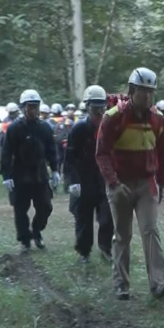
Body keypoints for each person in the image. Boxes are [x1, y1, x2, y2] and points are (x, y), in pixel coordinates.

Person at [95, 67, 164, 300]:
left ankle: (158, 283)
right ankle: (121, 284)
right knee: (122, 234)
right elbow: (102, 153)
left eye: (151, 93)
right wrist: (114, 183)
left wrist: (162, 184)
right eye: (143, 92)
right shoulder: (113, 118)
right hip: (121, 184)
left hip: (146, 183)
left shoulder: (158, 120)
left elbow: (162, 153)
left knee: (150, 231)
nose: (148, 97)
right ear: (131, 91)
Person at [0, 89, 58, 250]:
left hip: (40, 175)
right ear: (23, 108)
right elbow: (6, 153)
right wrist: (6, 176)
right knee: (20, 210)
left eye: (36, 106)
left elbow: (52, 151)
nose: (33, 110)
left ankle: (37, 230)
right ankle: (25, 239)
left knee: (45, 206)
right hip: (20, 175)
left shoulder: (45, 128)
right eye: (30, 107)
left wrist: (55, 170)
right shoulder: (14, 129)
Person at [65, 85, 114, 264]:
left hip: (104, 179)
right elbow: (70, 158)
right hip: (84, 179)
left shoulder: (110, 128)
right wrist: (73, 181)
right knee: (83, 218)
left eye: (102, 107)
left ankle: (106, 248)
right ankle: (84, 251)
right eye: (95, 108)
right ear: (87, 107)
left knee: (108, 217)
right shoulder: (78, 129)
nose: (99, 112)